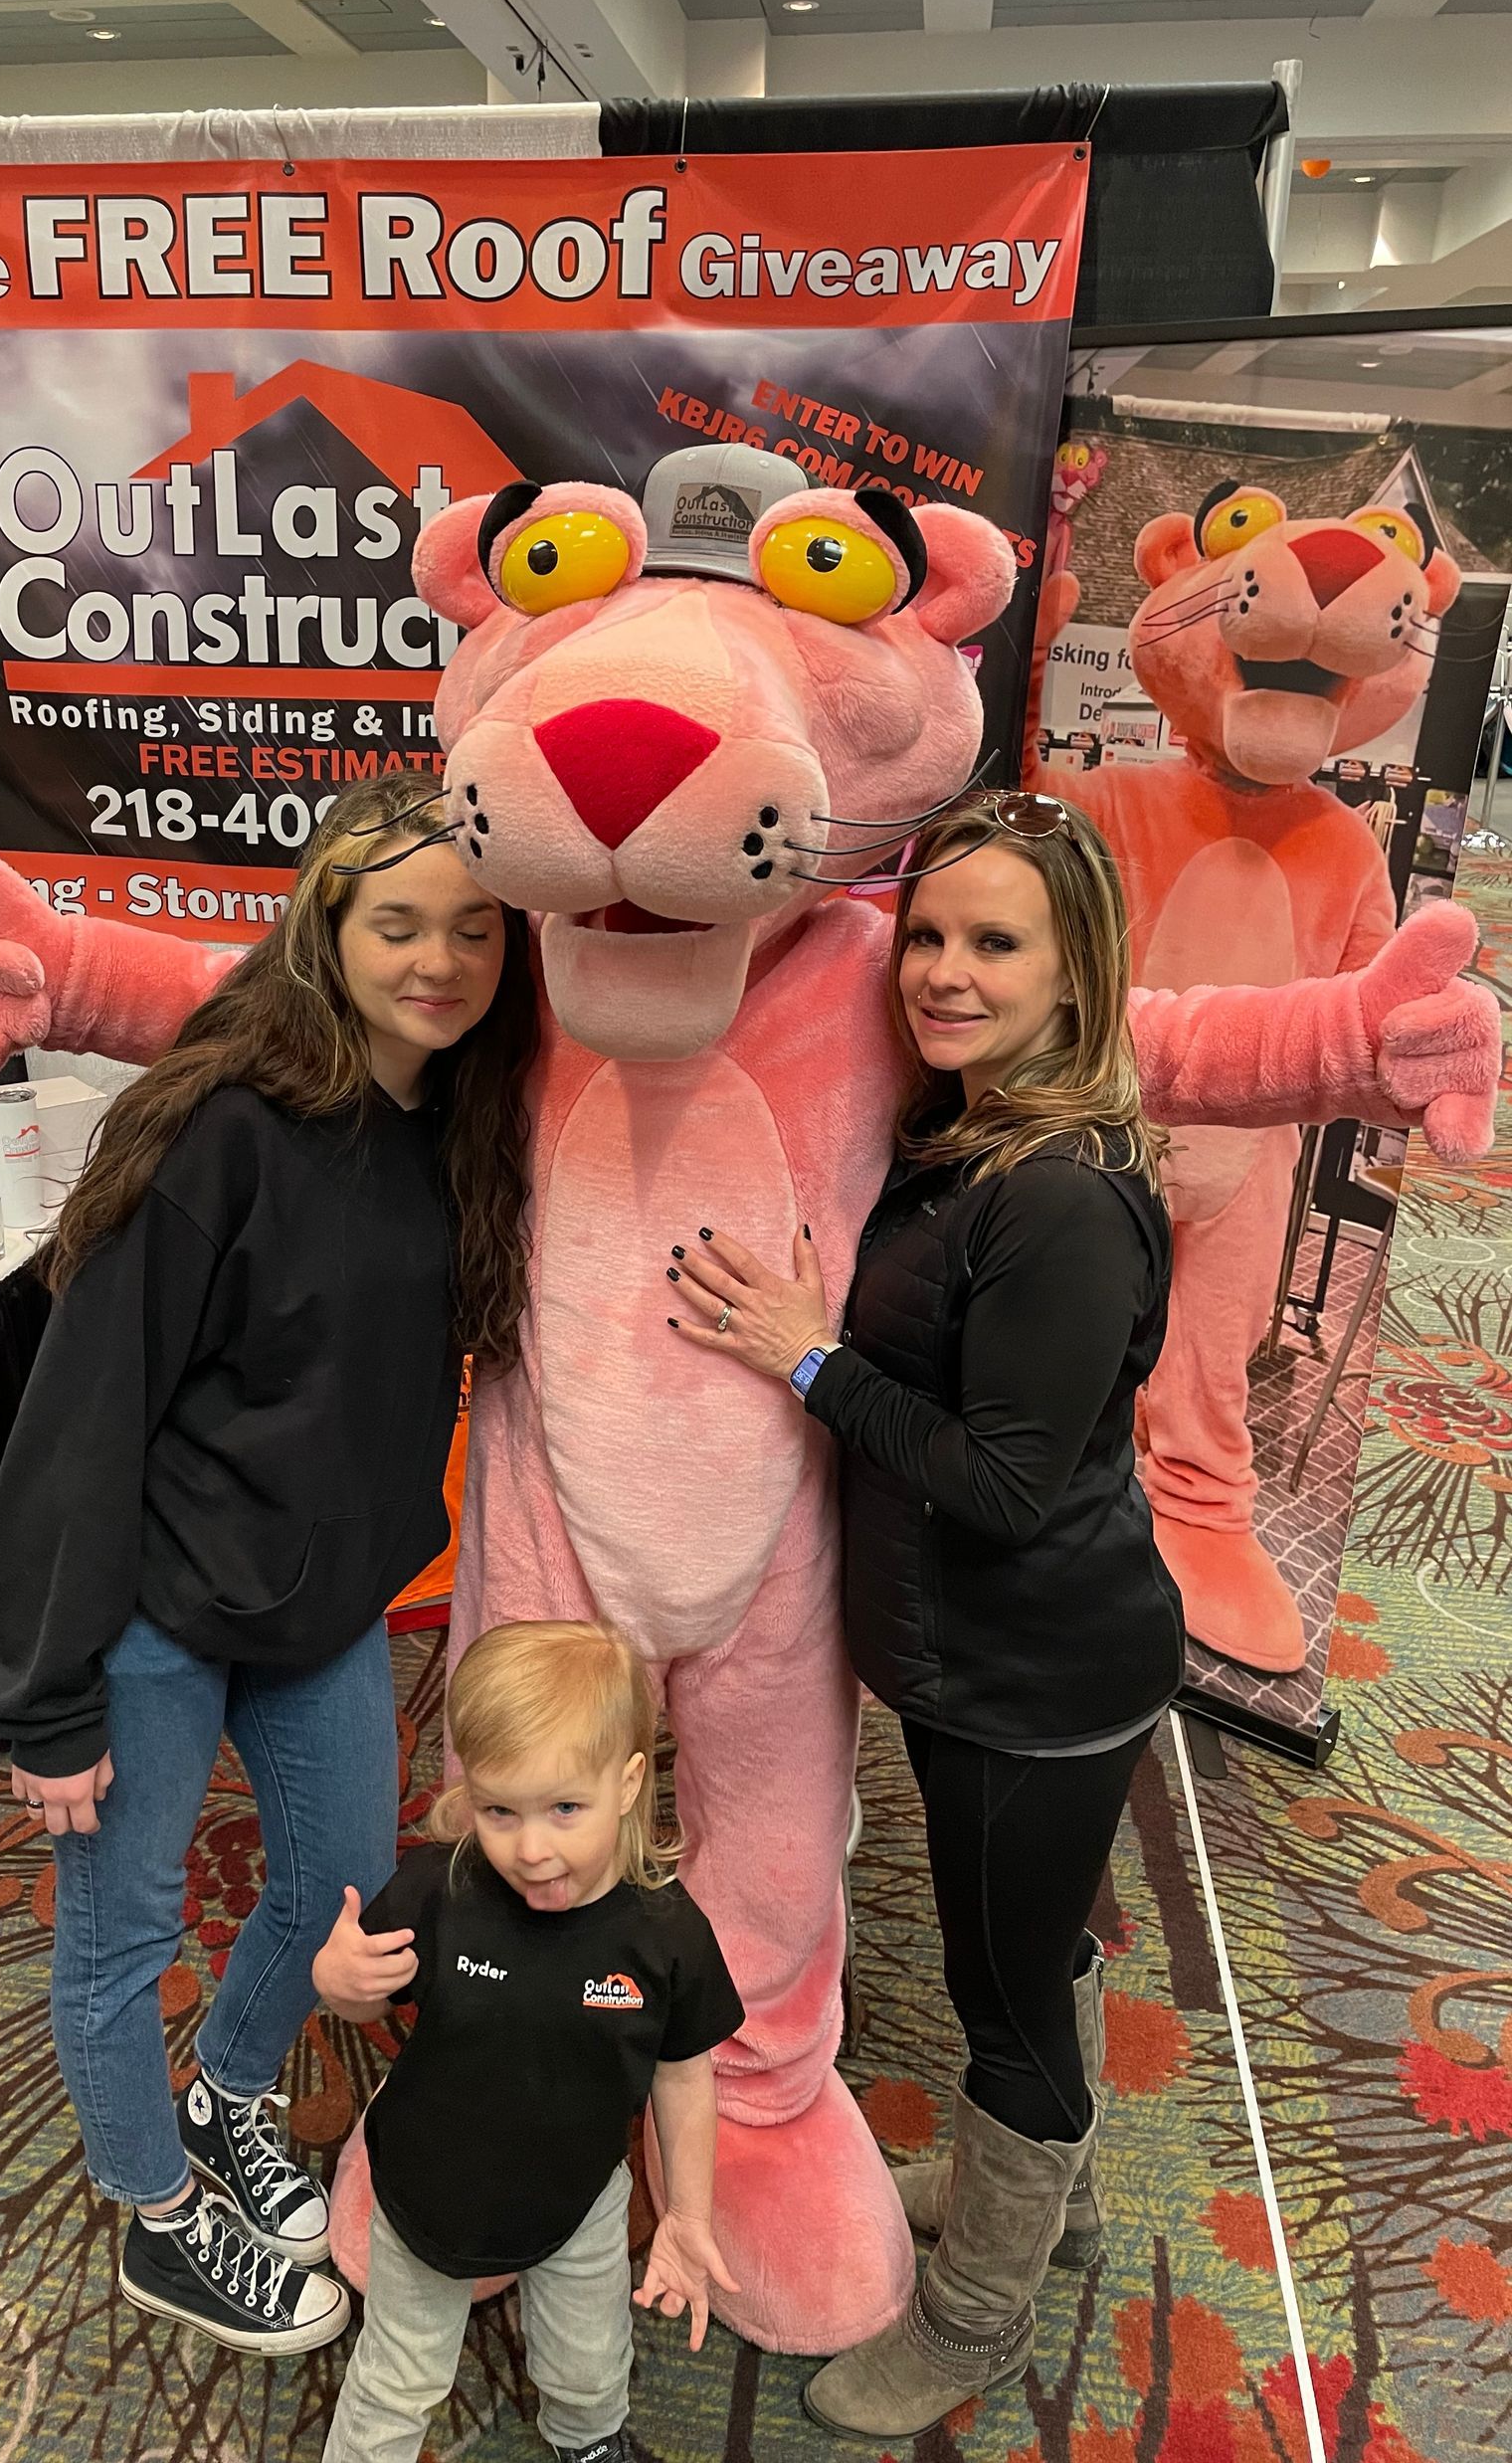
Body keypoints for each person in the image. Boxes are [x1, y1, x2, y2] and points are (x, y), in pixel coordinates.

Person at [0, 774, 538, 2358]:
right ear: (328, 928)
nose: (438, 958)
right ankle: (158, 2214)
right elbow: (83, 1411)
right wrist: (49, 1695)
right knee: (122, 1929)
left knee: (337, 1887)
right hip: (153, 1612)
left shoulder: (462, 1122)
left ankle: (226, 2094)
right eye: (399, 923)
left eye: (474, 929)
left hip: (323, 1605)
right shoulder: (225, 1123)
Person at [662, 789, 1184, 2439]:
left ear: (1075, 972)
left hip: (1032, 1672)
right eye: (935, 936)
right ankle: (1053, 2192)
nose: (945, 973)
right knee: (1036, 1944)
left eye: (997, 944)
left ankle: (979, 2308)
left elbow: (1009, 1483)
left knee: (1003, 1990)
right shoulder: (976, 1131)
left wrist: (808, 1360)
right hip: (981, 1658)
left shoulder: (1061, 1197)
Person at [312, 1619, 745, 2463]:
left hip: (578, 2200)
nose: (532, 1849)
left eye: (565, 1809)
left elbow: (684, 2080)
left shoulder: (668, 1937)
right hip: (424, 2191)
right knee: (398, 2378)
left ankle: (586, 2444)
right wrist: (338, 1983)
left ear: (627, 1785)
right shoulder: (438, 1890)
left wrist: (689, 2213)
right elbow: (360, 2009)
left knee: (590, 2372)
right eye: (499, 1810)